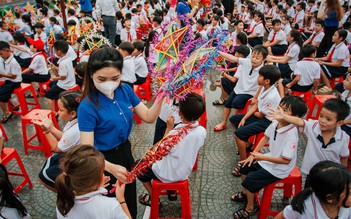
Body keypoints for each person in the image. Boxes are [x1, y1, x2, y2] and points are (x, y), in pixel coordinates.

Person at [78, 47, 164, 219]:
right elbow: (87, 150)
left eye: (115, 78)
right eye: (102, 79)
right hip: (102, 160)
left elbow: (148, 116)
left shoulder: (124, 91)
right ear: (91, 75)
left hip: (125, 152)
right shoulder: (87, 106)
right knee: (112, 206)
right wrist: (109, 167)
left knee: (128, 200)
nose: (109, 83)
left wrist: (162, 94)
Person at [231, 96, 307, 219]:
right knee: (244, 167)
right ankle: (246, 193)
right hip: (269, 158)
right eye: (280, 107)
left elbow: (285, 160)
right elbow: (265, 137)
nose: (279, 111)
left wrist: (262, 157)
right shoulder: (276, 122)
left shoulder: (292, 134)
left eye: (285, 110)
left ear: (295, 117)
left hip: (280, 168)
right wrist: (253, 155)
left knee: (251, 179)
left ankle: (250, 207)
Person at [138, 93, 206, 206]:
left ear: (179, 113)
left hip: (168, 173)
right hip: (184, 172)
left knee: (140, 169)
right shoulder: (201, 131)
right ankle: (172, 192)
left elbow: (160, 151)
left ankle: (154, 199)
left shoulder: (174, 134)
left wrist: (169, 128)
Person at [269, 98, 350, 188]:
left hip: (331, 175)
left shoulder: (343, 137)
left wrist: (343, 177)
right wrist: (284, 116)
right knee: (309, 194)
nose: (322, 121)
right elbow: (300, 121)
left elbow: (343, 158)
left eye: (328, 119)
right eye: (321, 116)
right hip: (312, 172)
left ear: (339, 123)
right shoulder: (313, 126)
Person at [230, 65, 281, 176]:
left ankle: (242, 164)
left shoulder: (272, 96)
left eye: (260, 76)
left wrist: (253, 114)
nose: (258, 78)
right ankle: (247, 144)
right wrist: (244, 118)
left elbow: (260, 115)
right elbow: (256, 106)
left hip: (267, 122)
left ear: (267, 81)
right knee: (234, 119)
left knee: (238, 134)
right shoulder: (264, 87)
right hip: (259, 115)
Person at [55, 145, 131, 219]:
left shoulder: (63, 203)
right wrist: (121, 199)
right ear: (98, 180)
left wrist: (96, 187)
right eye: (102, 172)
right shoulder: (111, 206)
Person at [35, 91, 81, 191]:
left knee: (43, 177)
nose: (58, 112)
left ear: (73, 113)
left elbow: (56, 148)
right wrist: (51, 127)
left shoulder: (74, 131)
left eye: (61, 110)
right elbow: (65, 137)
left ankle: (69, 195)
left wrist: (46, 131)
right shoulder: (79, 120)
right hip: (77, 155)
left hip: (78, 163)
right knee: (51, 162)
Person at [275, 161, 351, 219]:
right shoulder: (302, 209)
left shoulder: (346, 207)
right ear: (330, 198)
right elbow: (281, 217)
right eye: (350, 193)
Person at [213, 45, 264, 132]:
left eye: (257, 58)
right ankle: (224, 123)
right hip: (238, 88)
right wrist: (218, 52)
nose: (254, 59)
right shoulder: (246, 62)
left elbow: (262, 85)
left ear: (263, 60)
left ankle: (241, 120)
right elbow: (233, 58)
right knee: (227, 104)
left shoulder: (263, 70)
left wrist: (256, 97)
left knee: (236, 103)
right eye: (253, 56)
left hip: (250, 92)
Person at [45, 40, 76, 115]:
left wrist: (52, 78)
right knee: (51, 84)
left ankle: (54, 112)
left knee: (47, 95)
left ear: (59, 52)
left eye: (55, 50)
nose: (54, 52)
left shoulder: (62, 63)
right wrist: (55, 67)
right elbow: (65, 71)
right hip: (71, 82)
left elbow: (63, 77)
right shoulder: (68, 59)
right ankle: (58, 98)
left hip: (65, 85)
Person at [0, 41, 22, 123]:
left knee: (1, 94)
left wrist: (2, 74)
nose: (1, 56)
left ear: (7, 51)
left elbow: (14, 76)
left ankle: (7, 112)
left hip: (15, 82)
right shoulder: (5, 58)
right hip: (10, 81)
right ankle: (13, 106)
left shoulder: (13, 62)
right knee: (3, 90)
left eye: (1, 54)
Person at [341, 73, 351, 137]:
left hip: (348, 126)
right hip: (342, 121)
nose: (343, 81)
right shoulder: (346, 92)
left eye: (347, 80)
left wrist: (343, 122)